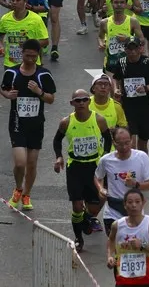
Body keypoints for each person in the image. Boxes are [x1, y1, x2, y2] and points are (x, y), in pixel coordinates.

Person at [53, 87, 113, 250]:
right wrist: (59, 157)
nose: (81, 103)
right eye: (77, 101)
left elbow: (108, 139)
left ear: (89, 101)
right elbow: (57, 140)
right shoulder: (66, 122)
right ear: (72, 103)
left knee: (97, 203)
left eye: (84, 100)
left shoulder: (99, 120)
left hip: (94, 166)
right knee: (77, 206)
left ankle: (86, 220)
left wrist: (105, 157)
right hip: (75, 167)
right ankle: (79, 238)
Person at [1, 38, 55, 210]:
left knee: (32, 163)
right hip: (17, 122)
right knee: (20, 163)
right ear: (22, 53)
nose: (31, 59)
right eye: (27, 55)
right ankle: (18, 188)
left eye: (34, 56)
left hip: (36, 123)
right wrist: (7, 95)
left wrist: (39, 92)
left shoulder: (43, 74)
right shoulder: (12, 72)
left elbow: (51, 99)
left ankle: (26, 194)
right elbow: (3, 88)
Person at [94, 126, 149, 234]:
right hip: (113, 209)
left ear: (132, 140)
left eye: (127, 143)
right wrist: (101, 189)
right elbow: (97, 177)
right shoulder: (106, 160)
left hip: (134, 208)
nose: (124, 147)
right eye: (120, 143)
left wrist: (136, 184)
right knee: (116, 245)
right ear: (113, 143)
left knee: (134, 246)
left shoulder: (141, 157)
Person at [108, 37, 149, 152]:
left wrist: (146, 88)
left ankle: (143, 165)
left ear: (140, 49)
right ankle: (131, 165)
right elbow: (116, 78)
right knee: (130, 141)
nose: (132, 51)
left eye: (135, 48)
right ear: (125, 50)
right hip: (128, 107)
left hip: (145, 106)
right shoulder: (121, 63)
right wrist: (116, 89)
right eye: (129, 48)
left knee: (143, 142)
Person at [105, 189, 149, 287]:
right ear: (124, 205)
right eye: (130, 202)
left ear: (143, 203)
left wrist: (142, 245)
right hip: (123, 280)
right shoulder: (117, 225)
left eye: (137, 202)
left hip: (146, 280)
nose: (134, 205)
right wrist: (110, 256)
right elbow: (111, 240)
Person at [99, 0, 142, 72]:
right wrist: (101, 43)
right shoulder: (104, 22)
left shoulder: (133, 22)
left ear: (126, 4)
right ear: (111, 3)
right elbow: (100, 37)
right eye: (116, 2)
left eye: (122, 2)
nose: (119, 5)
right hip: (110, 63)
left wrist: (128, 39)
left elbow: (142, 41)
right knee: (111, 84)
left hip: (129, 63)